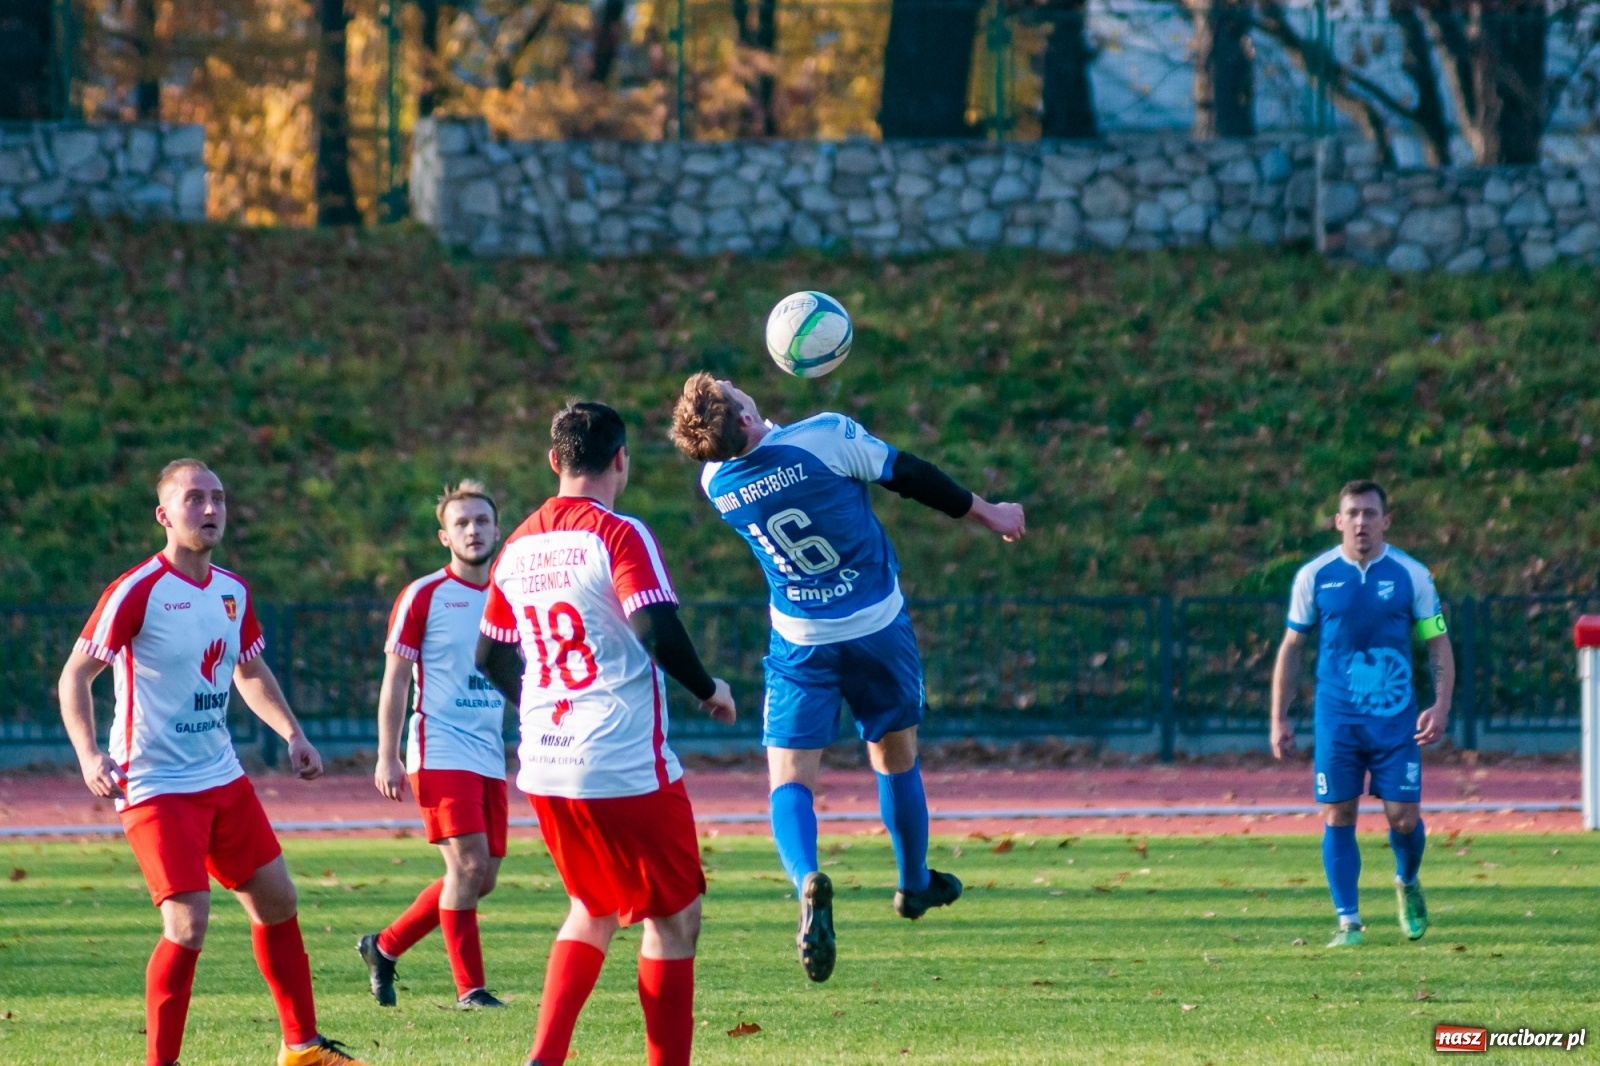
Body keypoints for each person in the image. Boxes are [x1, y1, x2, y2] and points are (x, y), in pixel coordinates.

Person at [669, 373, 1026, 983]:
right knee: (895, 757)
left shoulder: (716, 482)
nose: (737, 383)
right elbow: (910, 476)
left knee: (789, 777)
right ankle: (914, 884)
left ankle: (806, 876)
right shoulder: (825, 436)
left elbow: (763, 447)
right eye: (734, 392)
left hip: (801, 639)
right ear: (748, 422)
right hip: (876, 628)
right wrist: (992, 512)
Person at [56, 459, 368, 1066]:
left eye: (218, 498)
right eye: (194, 498)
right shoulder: (136, 590)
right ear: (164, 515)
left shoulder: (232, 590)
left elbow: (249, 670)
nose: (209, 509)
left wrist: (293, 733)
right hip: (152, 783)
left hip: (221, 775)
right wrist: (89, 753)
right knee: (187, 924)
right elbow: (75, 675)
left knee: (278, 901)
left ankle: (302, 1047)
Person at [474, 402, 736, 1066]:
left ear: (554, 461)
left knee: (591, 904)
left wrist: (540, 700)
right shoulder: (617, 533)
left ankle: (545, 1057)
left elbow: (490, 654)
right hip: (620, 759)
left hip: (545, 757)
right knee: (675, 919)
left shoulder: (519, 544)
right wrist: (710, 691)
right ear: (622, 459)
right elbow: (653, 625)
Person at [1270, 480, 1454, 947]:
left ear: (1385, 521)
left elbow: (1437, 641)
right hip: (1338, 719)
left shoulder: (1412, 575)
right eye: (1351, 513)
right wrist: (1279, 717)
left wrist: (1441, 703)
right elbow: (1292, 647)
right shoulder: (1315, 576)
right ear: (1337, 521)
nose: (1361, 522)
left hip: (1396, 720)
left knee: (1404, 818)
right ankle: (1348, 922)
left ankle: (1407, 880)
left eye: (1370, 513)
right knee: (1338, 812)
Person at [357, 481, 508, 1009]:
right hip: (438, 746)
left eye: (482, 521)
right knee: (466, 868)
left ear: (497, 529)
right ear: (445, 536)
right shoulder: (424, 595)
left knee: (480, 877)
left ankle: (384, 946)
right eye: (462, 523)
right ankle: (472, 989)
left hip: (490, 752)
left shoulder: (511, 593)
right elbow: (395, 677)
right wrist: (388, 754)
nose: (473, 530)